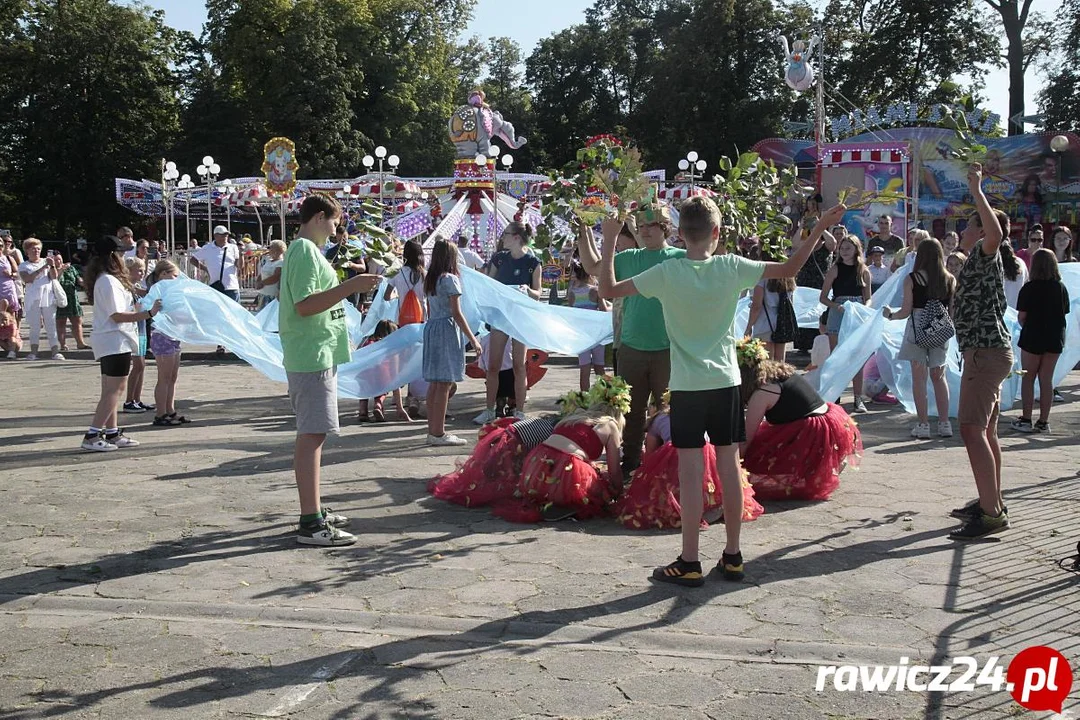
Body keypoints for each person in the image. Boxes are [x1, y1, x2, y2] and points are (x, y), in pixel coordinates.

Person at [599, 195, 846, 587]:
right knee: (730, 469)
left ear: (679, 234)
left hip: (687, 388)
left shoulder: (668, 272)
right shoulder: (732, 267)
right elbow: (791, 267)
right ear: (717, 233)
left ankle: (690, 560)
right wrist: (820, 226)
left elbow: (609, 290)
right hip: (726, 383)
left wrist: (611, 237)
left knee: (692, 471)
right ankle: (732, 556)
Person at [279, 195, 380, 546]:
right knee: (313, 434)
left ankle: (315, 510)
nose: (337, 230)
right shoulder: (305, 250)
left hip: (315, 352)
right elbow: (305, 306)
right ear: (320, 217)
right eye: (335, 223)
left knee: (314, 433)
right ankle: (310, 521)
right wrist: (350, 287)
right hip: (311, 354)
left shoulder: (303, 250)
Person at [577, 204, 682, 473]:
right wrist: (585, 229)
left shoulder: (681, 258)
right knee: (632, 411)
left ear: (666, 228)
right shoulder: (628, 258)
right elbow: (592, 267)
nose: (646, 231)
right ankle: (631, 462)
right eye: (642, 226)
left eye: (653, 226)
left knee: (667, 410)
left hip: (669, 348)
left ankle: (664, 465)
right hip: (632, 346)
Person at [949, 163, 1013, 541]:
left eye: (969, 225)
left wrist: (976, 189)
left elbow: (996, 231)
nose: (965, 231)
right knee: (986, 432)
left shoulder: (987, 252)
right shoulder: (977, 259)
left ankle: (991, 514)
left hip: (985, 353)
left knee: (971, 430)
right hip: (989, 352)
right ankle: (992, 501)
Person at [615, 394, 764, 530]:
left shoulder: (659, 418)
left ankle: (681, 508)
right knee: (709, 478)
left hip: (674, 449)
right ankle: (714, 504)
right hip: (706, 450)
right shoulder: (701, 413)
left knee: (676, 477)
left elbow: (650, 454)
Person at [738, 338, 862, 501]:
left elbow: (748, 437)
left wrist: (732, 465)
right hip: (828, 420)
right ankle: (827, 461)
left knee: (757, 452)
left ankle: (820, 463)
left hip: (811, 431)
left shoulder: (762, 391)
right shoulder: (779, 373)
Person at [500, 378, 627, 523]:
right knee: (599, 491)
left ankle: (550, 498)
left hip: (538, 461)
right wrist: (618, 493)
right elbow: (614, 470)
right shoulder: (610, 425)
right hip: (568, 465)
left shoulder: (576, 415)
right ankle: (567, 503)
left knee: (580, 468)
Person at [82, 235, 161, 452]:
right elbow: (117, 315)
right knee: (114, 390)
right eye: (121, 253)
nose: (124, 256)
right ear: (112, 256)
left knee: (111, 388)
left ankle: (112, 432)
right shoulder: (108, 281)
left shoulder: (107, 279)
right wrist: (148, 313)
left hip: (113, 339)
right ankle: (92, 434)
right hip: (114, 339)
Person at [883, 238, 956, 439]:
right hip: (940, 328)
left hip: (917, 328)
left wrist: (890, 314)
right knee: (939, 377)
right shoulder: (949, 279)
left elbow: (906, 311)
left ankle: (923, 425)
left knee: (919, 378)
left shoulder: (912, 279)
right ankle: (944, 424)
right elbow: (951, 312)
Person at [474, 222, 541, 424]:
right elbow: (489, 284)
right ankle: (489, 409)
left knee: (519, 365)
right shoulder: (500, 259)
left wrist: (525, 290)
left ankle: (519, 410)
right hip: (500, 317)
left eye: (506, 234)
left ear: (517, 237)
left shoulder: (533, 262)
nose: (502, 238)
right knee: (493, 364)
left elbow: (538, 293)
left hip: (520, 318)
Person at [423, 239, 482, 446]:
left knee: (436, 382)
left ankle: (433, 430)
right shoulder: (450, 279)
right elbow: (457, 313)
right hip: (447, 329)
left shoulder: (431, 278)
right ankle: (438, 433)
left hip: (432, 327)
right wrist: (473, 339)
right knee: (445, 383)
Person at [1011, 249, 1070, 434]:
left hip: (1033, 335)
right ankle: (1044, 421)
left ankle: (1026, 418)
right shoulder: (1060, 287)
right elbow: (1065, 312)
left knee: (1028, 378)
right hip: (1054, 337)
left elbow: (1022, 316)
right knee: (1047, 380)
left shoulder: (1029, 288)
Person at [819, 235, 872, 413]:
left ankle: (858, 398)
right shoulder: (835, 269)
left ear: (856, 249)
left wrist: (863, 309)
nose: (844, 251)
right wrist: (836, 306)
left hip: (856, 313)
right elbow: (823, 297)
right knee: (837, 356)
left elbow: (869, 297)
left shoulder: (863, 270)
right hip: (838, 312)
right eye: (842, 248)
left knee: (856, 357)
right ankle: (835, 395)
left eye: (848, 248)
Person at [146, 261, 191, 426]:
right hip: (162, 335)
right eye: (174, 276)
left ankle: (170, 410)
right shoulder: (158, 289)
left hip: (173, 335)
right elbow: (143, 307)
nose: (176, 279)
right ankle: (160, 413)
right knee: (164, 377)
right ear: (163, 274)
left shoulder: (172, 290)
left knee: (172, 377)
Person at [384, 240, 427, 417]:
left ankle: (398, 396)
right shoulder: (424, 275)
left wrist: (399, 297)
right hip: (422, 322)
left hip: (403, 323)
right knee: (417, 360)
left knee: (402, 360)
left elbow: (387, 296)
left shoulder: (399, 274)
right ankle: (413, 397)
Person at [356, 320, 412, 423]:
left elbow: (357, 355)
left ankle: (362, 410)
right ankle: (378, 404)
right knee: (384, 385)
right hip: (381, 376)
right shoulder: (390, 348)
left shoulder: (367, 341)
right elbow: (395, 381)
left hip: (364, 375)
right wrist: (400, 408)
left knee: (364, 387)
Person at [567, 261, 610, 390]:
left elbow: (571, 313)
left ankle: (584, 400)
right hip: (597, 335)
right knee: (599, 368)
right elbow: (603, 311)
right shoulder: (595, 291)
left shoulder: (572, 293)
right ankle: (605, 398)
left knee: (584, 370)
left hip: (581, 335)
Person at [18, 238, 63, 360]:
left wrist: (52, 265)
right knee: (35, 325)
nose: (36, 251)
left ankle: (55, 351)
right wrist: (43, 268)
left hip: (48, 297)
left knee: (51, 324)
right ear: (27, 251)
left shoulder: (46, 261)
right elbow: (27, 279)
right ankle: (33, 352)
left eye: (38, 248)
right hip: (33, 298)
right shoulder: (23, 265)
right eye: (33, 248)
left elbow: (54, 277)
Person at [121, 257, 153, 413]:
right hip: (132, 329)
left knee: (142, 366)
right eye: (139, 270)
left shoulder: (137, 287)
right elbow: (131, 308)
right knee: (138, 365)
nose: (142, 273)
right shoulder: (126, 289)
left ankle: (137, 399)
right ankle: (129, 400)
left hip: (141, 328)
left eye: (143, 270)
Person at [743, 275, 796, 361]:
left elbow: (756, 306)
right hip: (782, 323)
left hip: (764, 324)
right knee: (779, 361)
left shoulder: (762, 278)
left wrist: (749, 327)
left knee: (767, 361)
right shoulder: (788, 277)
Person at [190, 226, 245, 302]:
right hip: (215, 286)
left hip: (232, 287)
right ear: (215, 236)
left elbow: (239, 266)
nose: (225, 237)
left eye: (226, 235)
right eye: (222, 235)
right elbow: (193, 260)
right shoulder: (207, 248)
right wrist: (205, 269)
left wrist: (241, 254)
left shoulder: (233, 247)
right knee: (216, 312)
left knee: (233, 312)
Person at [54, 254, 88, 351]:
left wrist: (82, 282)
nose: (59, 262)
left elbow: (78, 278)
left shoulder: (71, 268)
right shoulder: (51, 270)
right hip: (59, 299)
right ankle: (63, 345)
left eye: (60, 259)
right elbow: (56, 280)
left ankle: (80, 343)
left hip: (72, 297)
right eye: (56, 260)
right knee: (61, 322)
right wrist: (61, 270)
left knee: (77, 321)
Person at [0, 246, 20, 358]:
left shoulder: (8, 258)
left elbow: (18, 274)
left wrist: (11, 275)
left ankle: (13, 346)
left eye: (1, 245)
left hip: (8, 290)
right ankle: (6, 346)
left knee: (11, 320)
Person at [256, 240, 286, 310]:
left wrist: (262, 283)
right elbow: (262, 273)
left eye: (271, 248)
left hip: (272, 295)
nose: (269, 250)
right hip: (263, 293)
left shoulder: (281, 263)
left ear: (277, 250)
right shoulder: (268, 261)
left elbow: (276, 277)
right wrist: (257, 281)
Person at [1000, 241, 1028, 308]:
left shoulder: (995, 265)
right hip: (1016, 311)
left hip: (1000, 312)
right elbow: (1026, 283)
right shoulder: (1021, 262)